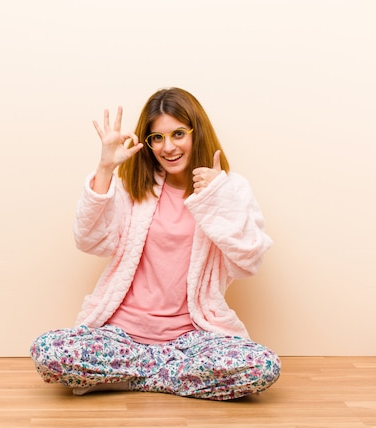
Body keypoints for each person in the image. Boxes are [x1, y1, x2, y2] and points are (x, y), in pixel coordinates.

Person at [29, 87, 281, 401]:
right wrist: (106, 168)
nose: (168, 147)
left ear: (196, 133)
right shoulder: (133, 186)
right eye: (157, 138)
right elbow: (90, 241)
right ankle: (172, 376)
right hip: (122, 335)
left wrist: (215, 198)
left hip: (194, 338)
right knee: (47, 350)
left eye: (178, 134)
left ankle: (131, 376)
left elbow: (249, 261)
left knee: (263, 365)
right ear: (147, 143)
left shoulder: (228, 188)